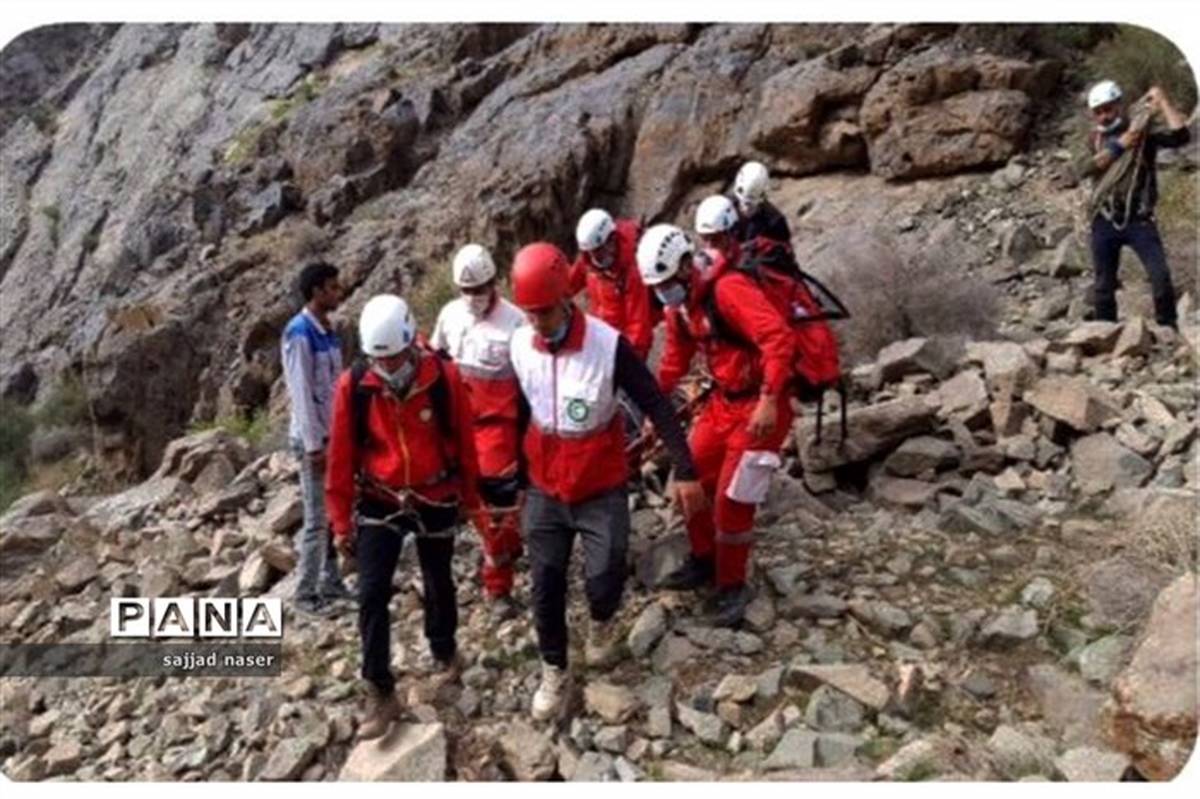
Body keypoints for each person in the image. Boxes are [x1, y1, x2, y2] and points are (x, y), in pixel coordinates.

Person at [507, 242, 707, 722]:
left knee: (604, 578)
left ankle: (601, 624)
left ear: (566, 298)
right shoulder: (519, 344)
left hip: (599, 483)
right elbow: (519, 409)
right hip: (545, 485)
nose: (537, 322)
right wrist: (513, 479)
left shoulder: (607, 345)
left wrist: (685, 469)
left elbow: (656, 403)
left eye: (544, 311)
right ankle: (554, 669)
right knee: (545, 583)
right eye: (529, 313)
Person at [325, 294, 482, 740]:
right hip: (381, 497)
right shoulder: (355, 386)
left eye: (394, 358)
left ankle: (444, 650)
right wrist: (340, 524)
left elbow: (466, 442)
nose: (388, 367)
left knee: (438, 578)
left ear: (412, 343)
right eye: (380, 360)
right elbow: (340, 459)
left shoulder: (443, 377)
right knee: (371, 592)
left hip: (436, 491)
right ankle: (380, 688)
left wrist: (471, 500)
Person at [637, 210, 795, 629]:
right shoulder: (680, 309)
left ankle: (732, 585)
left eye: (666, 283)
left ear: (685, 265)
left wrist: (769, 399)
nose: (663, 293)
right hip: (724, 403)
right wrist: (655, 409)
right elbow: (674, 362)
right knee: (689, 482)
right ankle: (704, 557)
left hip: (760, 405)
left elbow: (777, 339)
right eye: (656, 288)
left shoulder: (728, 290)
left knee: (732, 500)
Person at [430, 244, 526, 618]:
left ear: (493, 282)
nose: (473, 297)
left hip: (500, 430)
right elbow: (436, 360)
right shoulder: (450, 316)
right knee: (475, 506)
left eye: (479, 289)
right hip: (460, 427)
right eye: (466, 290)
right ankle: (503, 556)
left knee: (497, 511)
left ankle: (498, 583)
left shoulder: (515, 323)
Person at [1074, 80, 1191, 329]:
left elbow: (1181, 136)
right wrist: (1119, 146)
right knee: (1103, 285)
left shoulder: (1143, 134)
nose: (1104, 116)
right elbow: (1082, 168)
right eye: (1098, 112)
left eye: (1108, 109)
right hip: (1104, 218)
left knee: (1160, 277)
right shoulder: (1094, 139)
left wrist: (1163, 102)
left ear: (1119, 105)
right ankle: (1104, 333)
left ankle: (1168, 330)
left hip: (1139, 219)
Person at [281, 261, 354, 617]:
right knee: (315, 519)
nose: (339, 293)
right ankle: (305, 594)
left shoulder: (326, 330)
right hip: (315, 440)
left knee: (331, 514)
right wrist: (314, 445)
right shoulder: (299, 334)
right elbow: (301, 392)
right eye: (333, 287)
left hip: (332, 435)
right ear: (316, 292)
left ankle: (331, 581)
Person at [567, 209, 657, 361]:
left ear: (612, 239)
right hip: (603, 335)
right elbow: (567, 285)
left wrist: (630, 362)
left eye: (598, 251)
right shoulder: (589, 260)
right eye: (591, 252)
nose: (595, 257)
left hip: (625, 342)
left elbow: (638, 325)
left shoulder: (631, 270)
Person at [731, 161, 791, 246]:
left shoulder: (774, 221)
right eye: (744, 202)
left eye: (750, 203)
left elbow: (785, 249)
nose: (746, 208)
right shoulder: (727, 206)